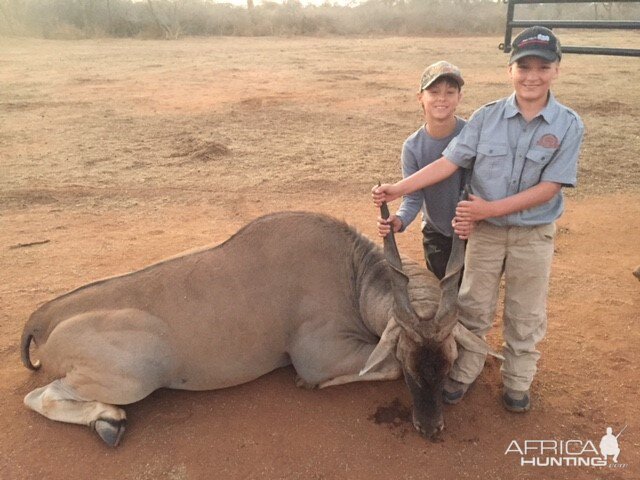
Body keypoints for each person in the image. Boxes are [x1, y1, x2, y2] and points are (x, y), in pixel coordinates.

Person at [372, 26, 584, 413]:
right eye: (523, 67)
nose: (532, 75)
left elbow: (551, 186)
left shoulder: (569, 124)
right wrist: (398, 189)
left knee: (525, 312)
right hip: (482, 234)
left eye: (542, 66)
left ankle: (517, 384)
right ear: (510, 71)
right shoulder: (487, 118)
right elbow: (447, 162)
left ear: (557, 70)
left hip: (531, 235)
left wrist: (486, 210)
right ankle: (463, 375)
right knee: (471, 309)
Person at [377, 61, 471, 280]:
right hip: (436, 233)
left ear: (459, 97)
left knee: (471, 297)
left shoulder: (471, 134)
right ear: (420, 97)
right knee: (442, 294)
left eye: (450, 92)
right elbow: (413, 197)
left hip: (473, 231)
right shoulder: (413, 146)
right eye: (434, 92)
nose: (442, 98)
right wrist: (398, 220)